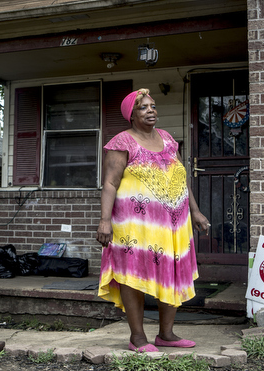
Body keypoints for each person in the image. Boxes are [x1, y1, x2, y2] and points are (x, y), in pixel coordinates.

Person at [97, 88, 210, 352]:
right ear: (131, 115)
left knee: (172, 271)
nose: (151, 111)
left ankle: (166, 334)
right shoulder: (122, 142)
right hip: (134, 224)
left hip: (174, 222)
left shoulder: (169, 140)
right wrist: (104, 221)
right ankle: (138, 337)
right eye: (143, 107)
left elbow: (181, 178)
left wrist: (195, 211)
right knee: (132, 273)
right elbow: (110, 184)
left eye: (153, 106)